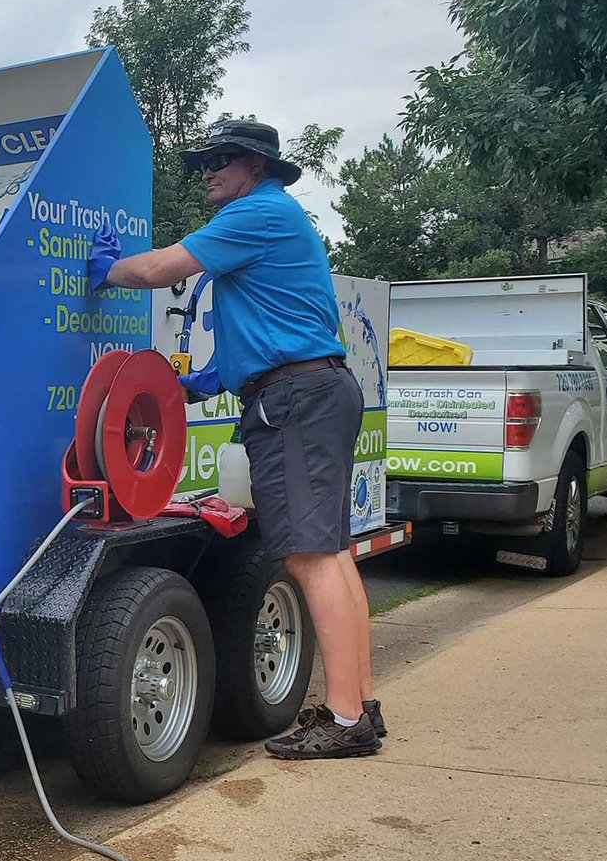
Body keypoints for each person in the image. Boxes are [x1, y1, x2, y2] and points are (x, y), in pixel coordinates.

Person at [85, 120, 384, 759]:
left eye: (220, 160)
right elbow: (282, 322)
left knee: (309, 557)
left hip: (296, 400)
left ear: (257, 164)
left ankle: (344, 718)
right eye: (201, 163)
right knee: (331, 553)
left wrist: (109, 271)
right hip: (315, 387)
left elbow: (166, 267)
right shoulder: (278, 219)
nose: (207, 172)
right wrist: (207, 380)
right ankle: (360, 705)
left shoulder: (257, 213)